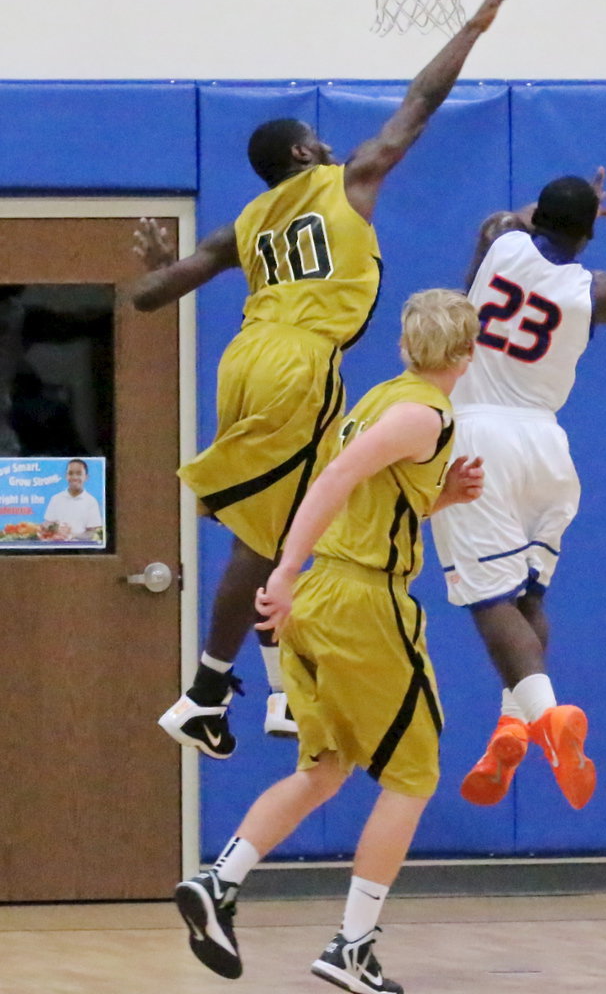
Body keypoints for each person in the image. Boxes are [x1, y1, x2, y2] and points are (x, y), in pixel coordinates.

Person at [132, 0, 515, 760]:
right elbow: (419, 103)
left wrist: (159, 263)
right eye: (321, 142)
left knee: (271, 525)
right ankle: (261, 690)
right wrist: (472, 29)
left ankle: (230, 695)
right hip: (300, 363)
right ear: (306, 153)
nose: (334, 146)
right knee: (306, 516)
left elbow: (149, 297)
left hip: (242, 357)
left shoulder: (245, 223)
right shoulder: (348, 180)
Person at [174, 289, 483, 993]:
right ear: (467, 355)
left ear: (406, 348)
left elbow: (372, 490)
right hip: (359, 601)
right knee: (413, 775)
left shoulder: (382, 399)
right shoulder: (421, 413)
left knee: (325, 767)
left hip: (324, 598)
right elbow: (336, 478)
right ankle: (351, 947)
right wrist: (282, 570)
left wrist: (441, 498)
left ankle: (220, 883)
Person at [430, 169, 606, 810]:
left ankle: (550, 722)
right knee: (525, 596)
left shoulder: (499, 239)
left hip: (478, 437)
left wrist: (580, 206)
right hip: (547, 446)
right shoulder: (593, 291)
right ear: (588, 233)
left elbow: (510, 217)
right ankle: (512, 724)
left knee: (487, 600)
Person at [43, 458, 102, 541]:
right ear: (66, 476)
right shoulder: (56, 499)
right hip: (57, 547)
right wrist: (56, 529)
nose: (74, 477)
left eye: (79, 474)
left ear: (86, 477)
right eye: (70, 473)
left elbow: (94, 532)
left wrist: (71, 535)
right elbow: (47, 524)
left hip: (81, 549)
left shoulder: (91, 502)